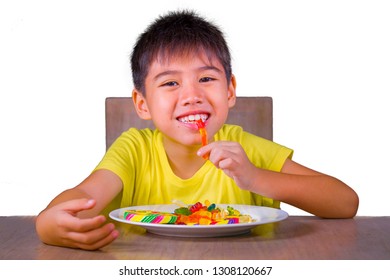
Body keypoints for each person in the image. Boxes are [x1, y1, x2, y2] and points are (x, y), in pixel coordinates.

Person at [35, 10, 359, 250]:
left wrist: (256, 177)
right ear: (142, 103)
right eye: (171, 83)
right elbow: (86, 197)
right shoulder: (134, 148)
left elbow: (345, 203)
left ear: (229, 91)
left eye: (206, 79)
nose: (191, 96)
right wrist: (48, 222)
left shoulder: (244, 147)